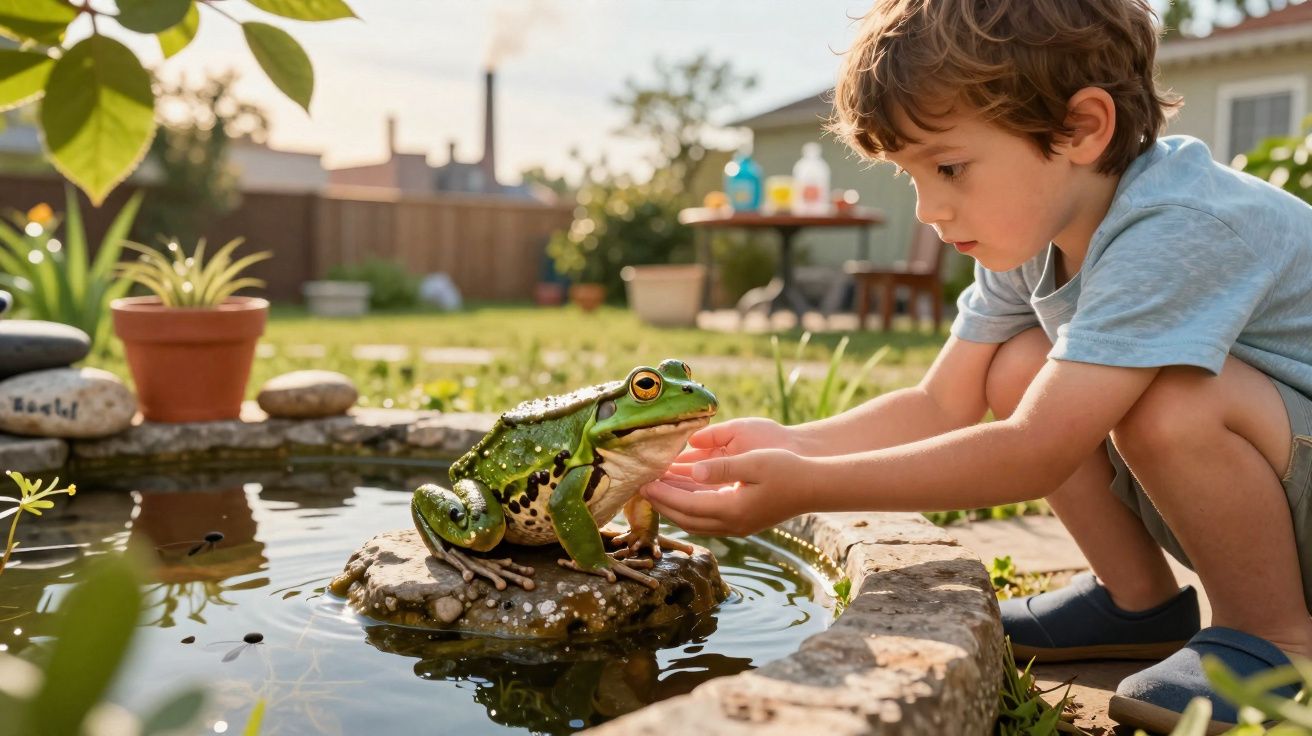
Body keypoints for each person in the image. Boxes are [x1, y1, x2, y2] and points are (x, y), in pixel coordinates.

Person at [639, 0, 1312, 731]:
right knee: (1018, 367)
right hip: (1277, 480)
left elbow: (1034, 450)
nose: (929, 208)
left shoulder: (1176, 225)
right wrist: (794, 443)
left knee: (1169, 399)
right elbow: (941, 402)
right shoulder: (1037, 228)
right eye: (911, 174)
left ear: (1082, 128)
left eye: (950, 167)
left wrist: (807, 488)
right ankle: (1138, 602)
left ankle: (1277, 639)